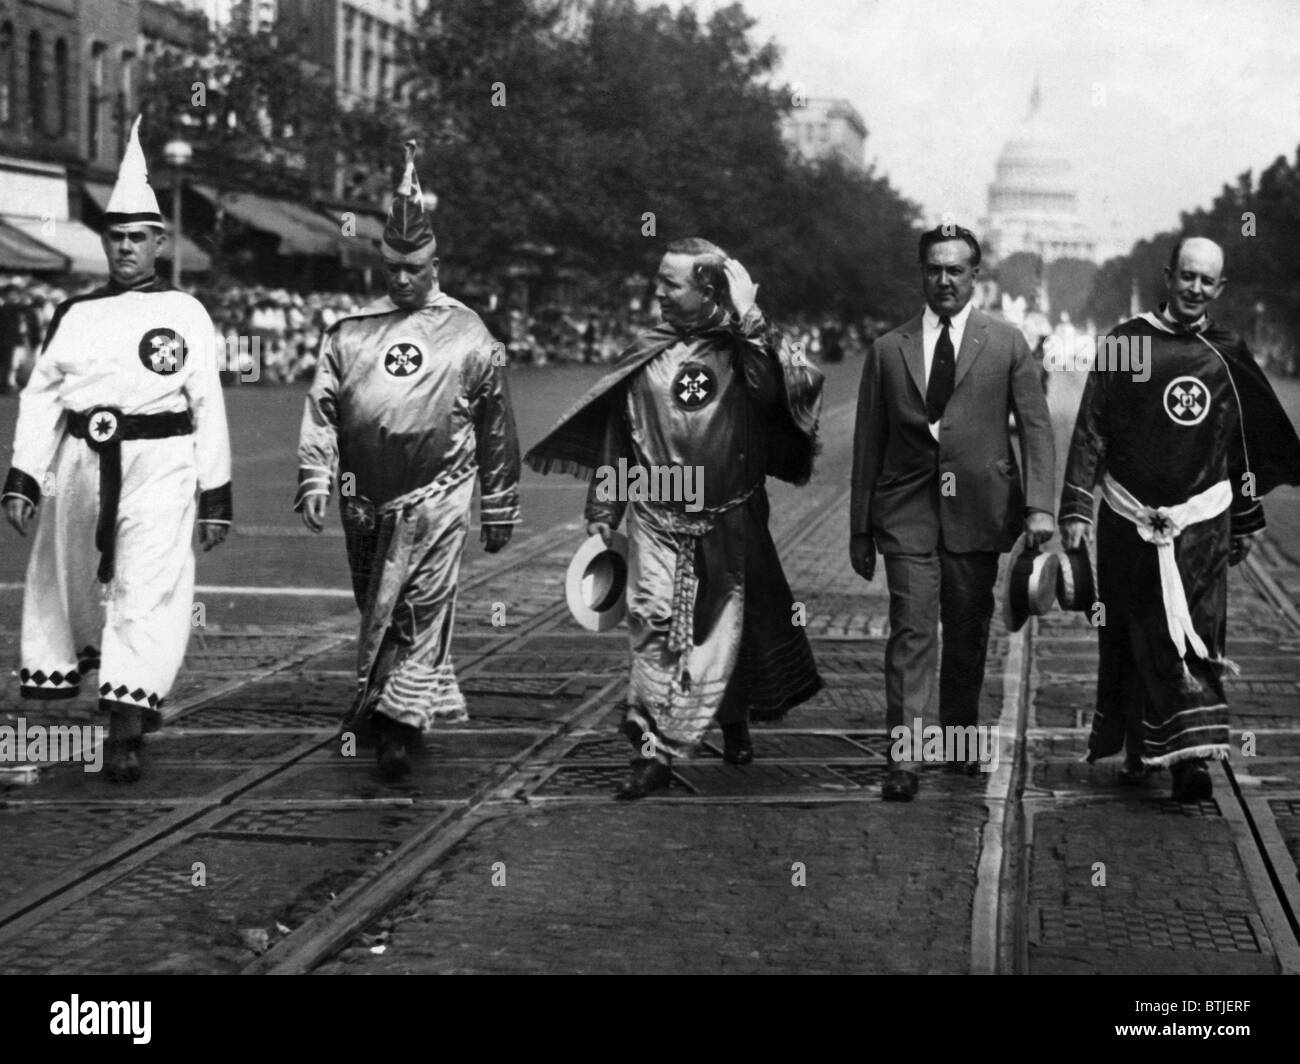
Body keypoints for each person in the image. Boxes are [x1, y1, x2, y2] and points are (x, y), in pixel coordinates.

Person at [526, 237, 824, 799]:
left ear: (708, 290)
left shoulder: (745, 353)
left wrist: (750, 317)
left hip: (730, 521)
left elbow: (786, 389)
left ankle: (732, 719)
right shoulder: (646, 351)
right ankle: (652, 749)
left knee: (723, 632)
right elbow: (621, 434)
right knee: (651, 621)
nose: (657, 293)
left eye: (671, 283)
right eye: (658, 280)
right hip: (657, 518)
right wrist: (604, 506)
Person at [1, 116, 232, 782]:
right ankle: (99, 689)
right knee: (69, 581)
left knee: (145, 583)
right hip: (79, 467)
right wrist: (23, 477)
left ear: (160, 241)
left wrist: (214, 495)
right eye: (116, 238)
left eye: (137, 238)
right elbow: (41, 397)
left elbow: (206, 404)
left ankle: (127, 724)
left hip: (160, 465)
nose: (125, 249)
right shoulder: (74, 314)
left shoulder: (186, 314)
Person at [295, 141, 521, 782]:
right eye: (391, 266)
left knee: (423, 605)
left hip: (441, 496)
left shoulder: (472, 334)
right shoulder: (347, 333)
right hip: (364, 501)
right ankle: (383, 699)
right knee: (378, 605)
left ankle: (400, 723)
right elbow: (322, 412)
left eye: (414, 267)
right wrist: (315, 477)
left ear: (435, 263)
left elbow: (498, 423)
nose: (401, 279)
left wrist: (498, 503)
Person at [1059, 236, 1300, 801]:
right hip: (1129, 522)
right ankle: (1144, 748)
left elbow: (1238, 444)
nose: (1194, 288)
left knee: (1195, 635)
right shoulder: (1128, 344)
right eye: (1186, 276)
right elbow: (1093, 424)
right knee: (1133, 632)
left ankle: (1191, 761)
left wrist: (1244, 517)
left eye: (1205, 281)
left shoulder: (1225, 352)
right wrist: (1076, 508)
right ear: (1169, 276)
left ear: (1220, 288)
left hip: (1201, 528)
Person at [850, 225, 1055, 802]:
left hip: (979, 512)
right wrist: (861, 528)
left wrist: (1040, 505)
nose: (945, 280)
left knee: (967, 633)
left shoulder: (1007, 343)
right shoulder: (890, 350)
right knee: (911, 632)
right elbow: (869, 440)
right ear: (922, 274)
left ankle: (961, 738)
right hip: (907, 513)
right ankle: (906, 758)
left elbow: (1036, 427)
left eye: (956, 270)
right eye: (934, 269)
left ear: (975, 276)